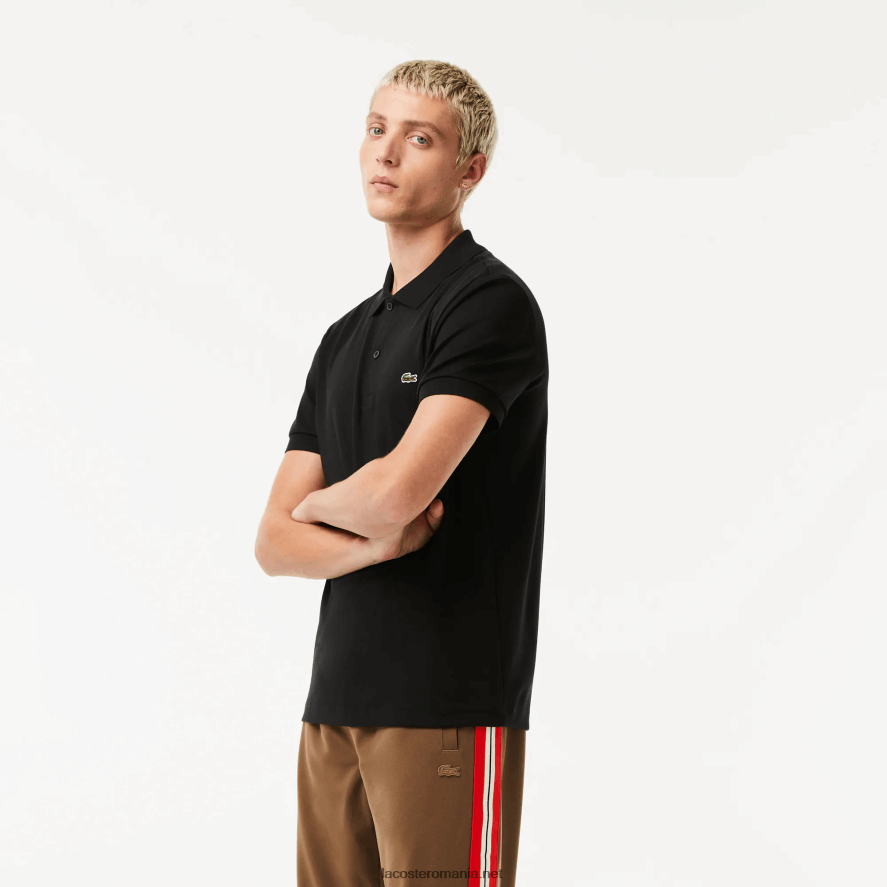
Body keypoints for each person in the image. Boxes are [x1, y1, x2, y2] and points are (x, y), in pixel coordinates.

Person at [255, 59, 548, 887]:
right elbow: (273, 543)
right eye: (376, 129)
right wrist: (373, 542)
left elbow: (396, 493)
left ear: (468, 171)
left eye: (419, 139)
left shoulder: (487, 304)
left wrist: (323, 511)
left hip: (444, 704)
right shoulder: (344, 336)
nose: (385, 152)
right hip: (333, 706)